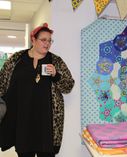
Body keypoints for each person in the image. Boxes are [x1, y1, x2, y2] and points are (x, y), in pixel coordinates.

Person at [0, 23, 75, 157]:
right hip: (22, 122)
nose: (47, 44)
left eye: (50, 40)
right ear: (33, 40)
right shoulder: (16, 60)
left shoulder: (56, 61)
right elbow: (2, 83)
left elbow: (69, 86)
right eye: (43, 40)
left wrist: (56, 75)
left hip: (46, 125)